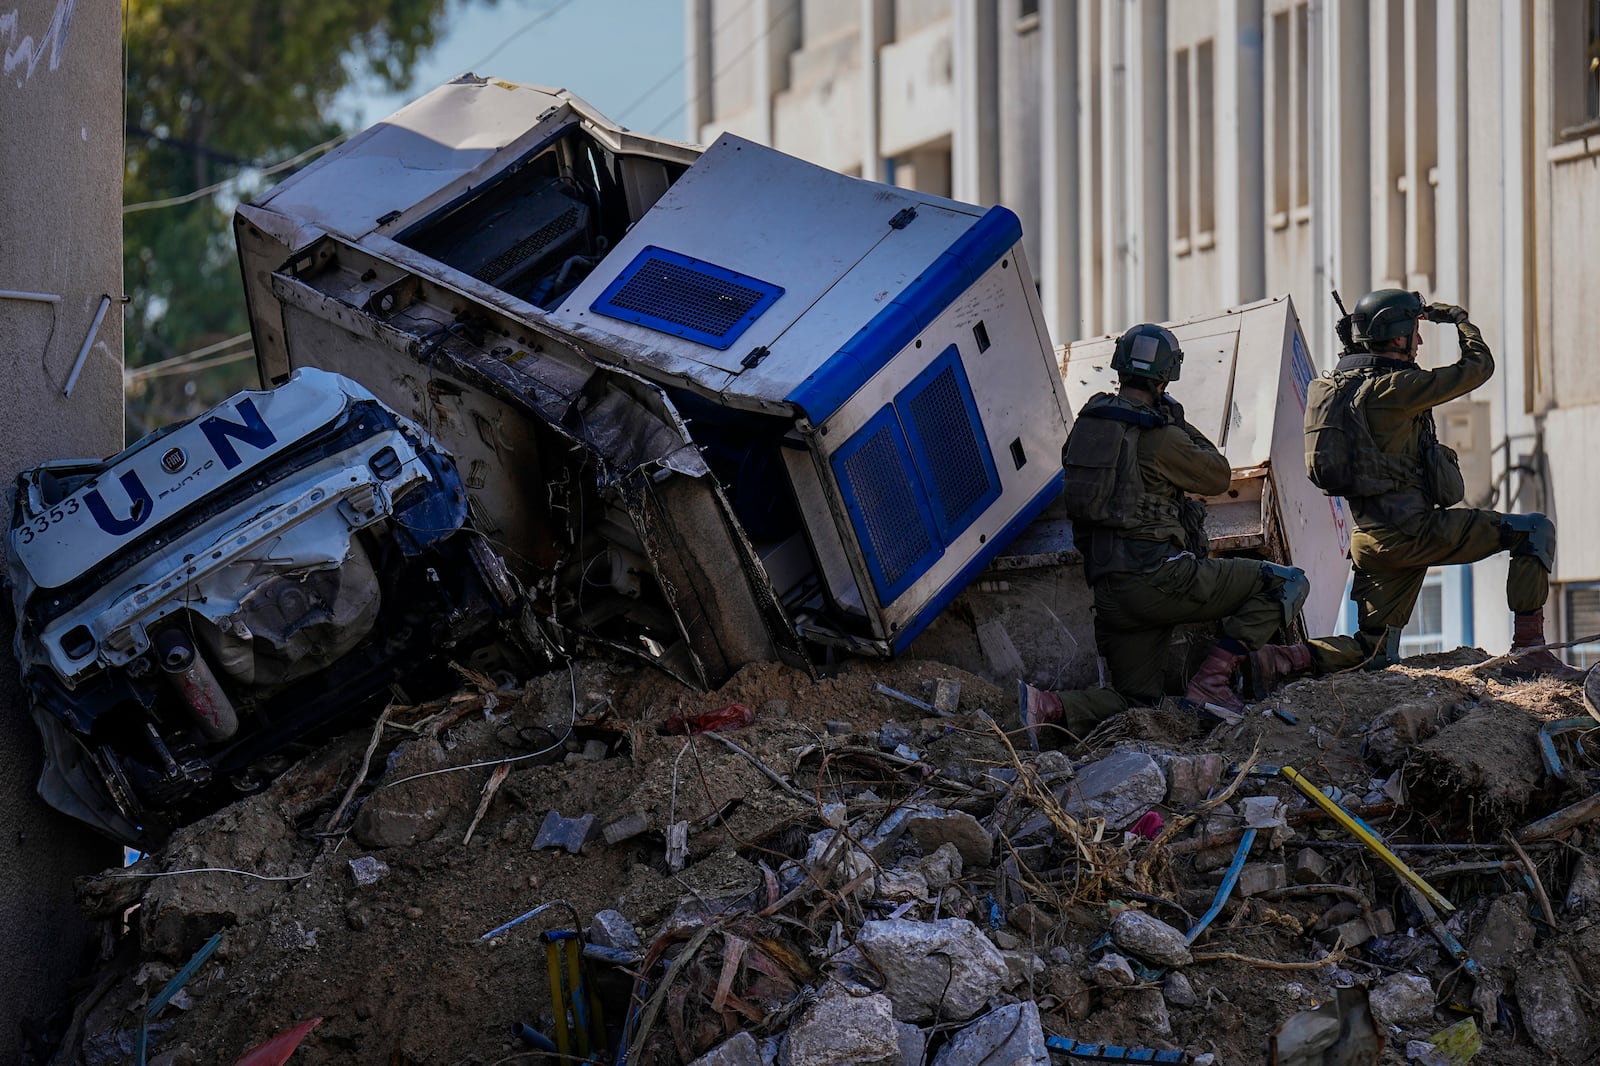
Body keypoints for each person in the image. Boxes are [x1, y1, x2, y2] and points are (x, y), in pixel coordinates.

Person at [1017, 323, 1317, 749]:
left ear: (1119, 367)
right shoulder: (1161, 437)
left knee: (1136, 700)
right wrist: (1179, 420)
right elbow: (1217, 475)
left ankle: (1046, 705)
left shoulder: (1088, 429)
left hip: (1110, 590)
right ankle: (1213, 682)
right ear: (1166, 377)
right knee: (1285, 582)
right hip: (1161, 580)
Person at [1300, 290, 1583, 681]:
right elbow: (1477, 367)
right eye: (1414, 332)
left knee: (1372, 651)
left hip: (1372, 540)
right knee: (1534, 531)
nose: (1418, 341)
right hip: (1416, 533)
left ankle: (1269, 661)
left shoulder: (1335, 389)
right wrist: (1459, 320)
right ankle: (1529, 652)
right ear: (1396, 337)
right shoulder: (1396, 389)